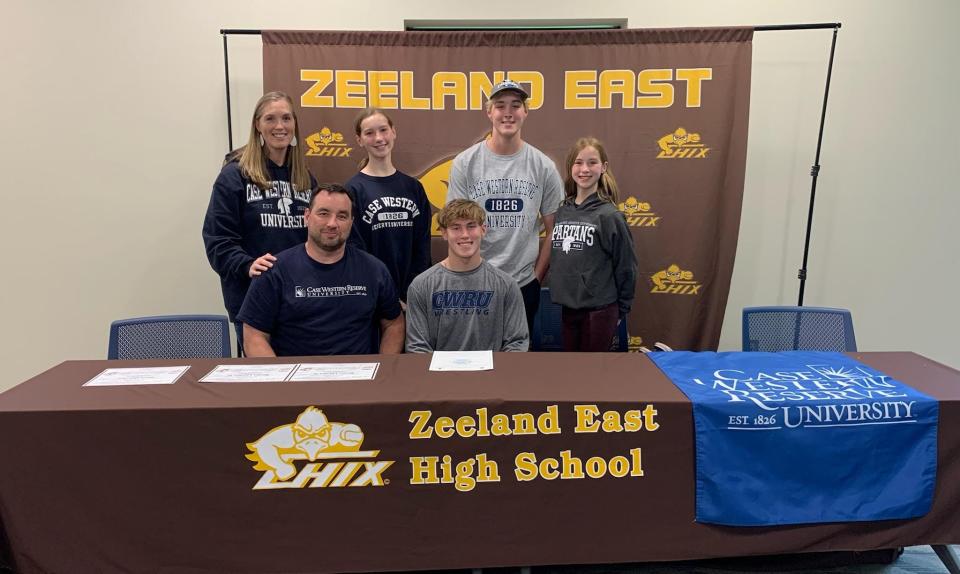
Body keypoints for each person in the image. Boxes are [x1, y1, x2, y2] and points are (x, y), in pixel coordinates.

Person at [445, 79, 563, 336]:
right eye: (500, 106)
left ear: (525, 112)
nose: (508, 112)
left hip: (523, 283)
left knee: (517, 364)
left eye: (516, 105)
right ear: (489, 112)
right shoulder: (465, 163)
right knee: (474, 358)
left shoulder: (543, 166)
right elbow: (455, 227)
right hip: (473, 281)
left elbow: (555, 229)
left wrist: (536, 277)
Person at [202, 91, 316, 351]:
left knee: (304, 383)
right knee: (266, 385)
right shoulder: (234, 176)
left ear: (295, 124)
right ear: (257, 125)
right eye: (270, 119)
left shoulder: (306, 179)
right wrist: (247, 264)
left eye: (286, 118)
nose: (279, 126)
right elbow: (217, 240)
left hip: (300, 301)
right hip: (252, 301)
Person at [237, 183, 405, 357]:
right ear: (307, 216)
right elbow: (254, 335)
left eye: (342, 216)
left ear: (351, 222)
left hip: (358, 379)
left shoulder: (374, 270)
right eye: (323, 213)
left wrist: (383, 369)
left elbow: (394, 324)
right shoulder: (274, 271)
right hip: (296, 380)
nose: (332, 224)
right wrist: (280, 380)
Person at [548, 137, 637, 352]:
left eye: (592, 162)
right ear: (571, 168)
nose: (584, 169)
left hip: (599, 311)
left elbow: (626, 266)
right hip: (568, 308)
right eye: (578, 163)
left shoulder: (610, 215)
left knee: (592, 375)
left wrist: (621, 310)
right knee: (572, 372)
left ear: (603, 167)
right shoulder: (563, 211)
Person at [406, 199, 528, 353]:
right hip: (439, 375)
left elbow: (517, 343)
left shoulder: (506, 285)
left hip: (491, 375)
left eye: (471, 226)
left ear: (483, 230)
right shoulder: (421, 286)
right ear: (444, 233)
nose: (464, 235)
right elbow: (417, 347)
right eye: (456, 228)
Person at [346, 109, 432, 305]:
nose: (378, 138)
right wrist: (385, 294)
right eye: (369, 133)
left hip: (413, 297)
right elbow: (355, 249)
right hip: (373, 295)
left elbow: (423, 246)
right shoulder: (353, 190)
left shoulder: (413, 188)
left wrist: (413, 292)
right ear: (359, 140)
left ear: (393, 132)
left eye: (383, 130)